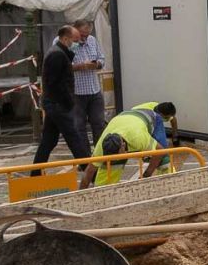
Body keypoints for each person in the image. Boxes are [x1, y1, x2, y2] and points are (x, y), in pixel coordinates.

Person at [32, 25, 90, 173]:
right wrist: (68, 102)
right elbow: (55, 83)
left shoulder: (59, 53)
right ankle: (91, 173)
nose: (77, 44)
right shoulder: (57, 55)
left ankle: (35, 172)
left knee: (49, 141)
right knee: (74, 139)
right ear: (65, 39)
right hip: (58, 105)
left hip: (55, 104)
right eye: (75, 40)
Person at [79, 107, 162, 188]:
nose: (113, 160)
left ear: (123, 146)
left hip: (150, 118)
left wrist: (145, 176)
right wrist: (80, 194)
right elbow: (89, 172)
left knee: (164, 160)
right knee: (109, 166)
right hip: (122, 119)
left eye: (115, 157)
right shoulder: (100, 147)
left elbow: (160, 150)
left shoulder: (138, 138)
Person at [69, 19, 107, 147]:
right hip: (76, 92)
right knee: (79, 126)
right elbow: (63, 65)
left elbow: (102, 58)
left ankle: (100, 153)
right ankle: (84, 155)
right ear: (74, 31)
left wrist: (96, 64)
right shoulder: (67, 42)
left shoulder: (92, 40)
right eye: (82, 35)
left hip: (94, 90)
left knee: (99, 123)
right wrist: (80, 66)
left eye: (87, 34)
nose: (84, 38)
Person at [132, 101, 177, 174]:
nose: (167, 119)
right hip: (137, 122)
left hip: (132, 118)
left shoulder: (160, 107)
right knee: (161, 150)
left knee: (158, 148)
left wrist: (175, 136)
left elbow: (173, 119)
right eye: (166, 118)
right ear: (160, 114)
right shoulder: (154, 116)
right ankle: (153, 170)